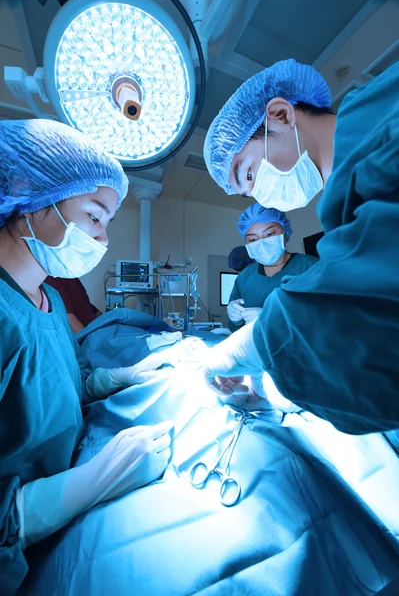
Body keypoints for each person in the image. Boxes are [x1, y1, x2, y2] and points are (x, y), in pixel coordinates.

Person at [0, 119, 173, 595]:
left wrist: (122, 375)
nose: (103, 238)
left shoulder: (50, 303)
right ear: (28, 194)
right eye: (94, 216)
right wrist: (94, 480)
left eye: (107, 224)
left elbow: (69, 379)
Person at [202, 58, 399, 435]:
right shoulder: (347, 201)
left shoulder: (382, 127)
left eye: (249, 173)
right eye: (248, 192)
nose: (259, 194)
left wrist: (259, 344)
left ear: (280, 115)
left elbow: (376, 317)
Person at [227, 203, 318, 332]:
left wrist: (275, 319)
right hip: (254, 351)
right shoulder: (244, 277)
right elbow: (236, 332)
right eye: (253, 239)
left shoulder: (313, 268)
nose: (261, 242)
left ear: (285, 233)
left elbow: (332, 320)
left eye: (269, 234)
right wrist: (236, 320)